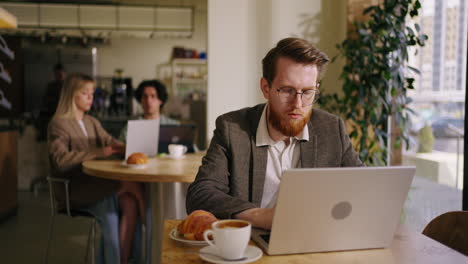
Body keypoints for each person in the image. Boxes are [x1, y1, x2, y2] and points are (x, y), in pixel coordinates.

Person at [186, 37, 363, 230]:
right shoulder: (232, 129)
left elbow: (363, 186)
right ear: (265, 88)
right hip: (253, 246)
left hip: (315, 241)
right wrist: (261, 216)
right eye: (287, 90)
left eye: (307, 92)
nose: (298, 104)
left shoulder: (331, 128)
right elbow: (201, 194)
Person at [47, 73, 146, 264]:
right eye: (85, 93)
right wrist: (101, 151)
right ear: (71, 95)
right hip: (73, 189)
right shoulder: (58, 124)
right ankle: (144, 232)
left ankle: (123, 259)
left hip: (94, 183)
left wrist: (131, 147)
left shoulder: (91, 122)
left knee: (130, 201)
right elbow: (60, 160)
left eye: (92, 93)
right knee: (127, 190)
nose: (91, 98)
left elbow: (111, 142)